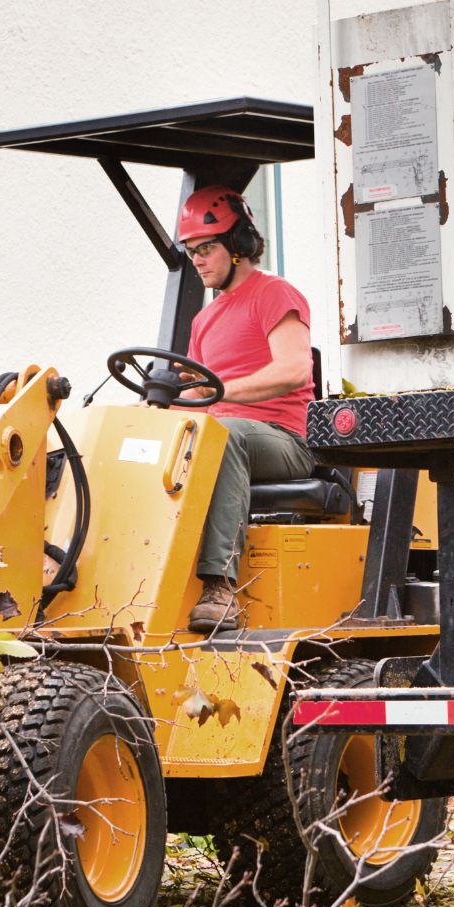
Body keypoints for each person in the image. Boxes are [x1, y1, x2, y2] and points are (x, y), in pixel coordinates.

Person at [175, 186, 317, 633]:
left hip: (286, 440)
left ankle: (220, 585)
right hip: (223, 436)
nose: (197, 260)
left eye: (206, 248)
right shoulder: (203, 320)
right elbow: (199, 394)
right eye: (191, 251)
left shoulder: (274, 294)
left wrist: (219, 395)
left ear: (237, 246)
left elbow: (295, 369)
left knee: (224, 435)